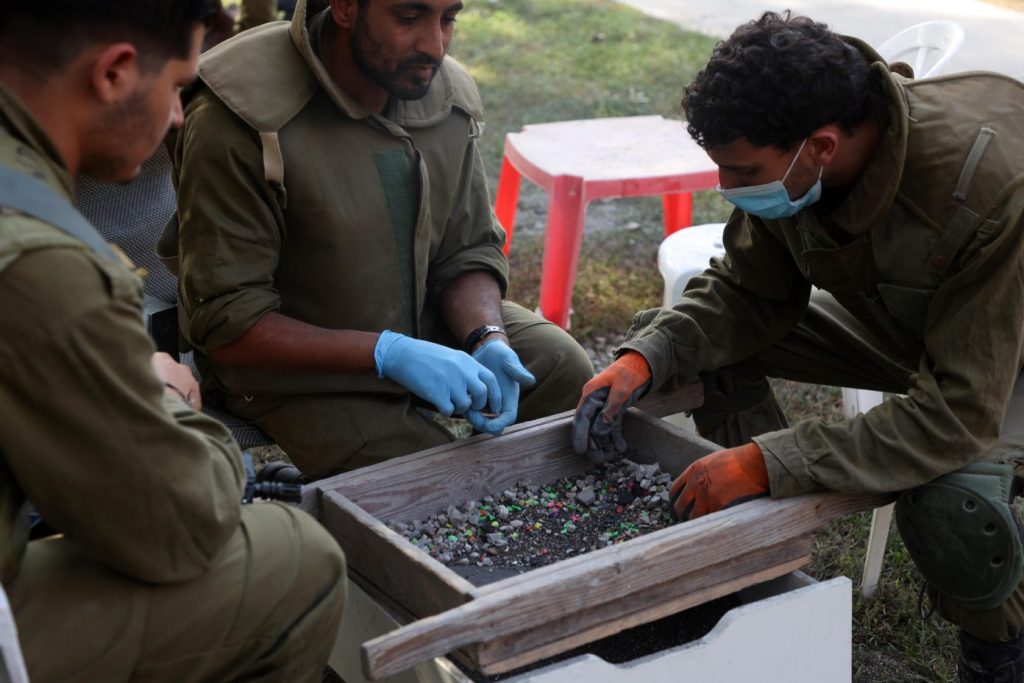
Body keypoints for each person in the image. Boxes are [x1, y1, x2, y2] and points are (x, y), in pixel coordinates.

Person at [572, 11, 1024, 681]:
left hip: (1008, 357)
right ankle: (769, 564)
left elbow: (954, 416)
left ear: (821, 146)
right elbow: (746, 293)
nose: (728, 188)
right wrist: (646, 355)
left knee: (955, 499)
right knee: (696, 348)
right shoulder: (807, 162)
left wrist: (768, 461)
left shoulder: (988, 185)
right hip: (924, 332)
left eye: (741, 169)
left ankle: (1000, 653)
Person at [0, 2, 346, 681]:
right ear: (116, 73)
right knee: (295, 563)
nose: (180, 117)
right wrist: (173, 401)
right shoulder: (41, 263)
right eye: (178, 87)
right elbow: (175, 529)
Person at [164, 0, 594, 479]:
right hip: (301, 369)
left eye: (448, 19)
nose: (434, 46)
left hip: (424, 321)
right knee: (431, 484)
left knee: (563, 372)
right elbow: (228, 322)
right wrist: (387, 353)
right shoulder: (241, 114)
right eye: (409, 18)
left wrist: (485, 335)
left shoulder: (443, 93)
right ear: (346, 7)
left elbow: (467, 248)